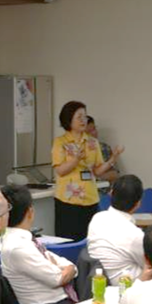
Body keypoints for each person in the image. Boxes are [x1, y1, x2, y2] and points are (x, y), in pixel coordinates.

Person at [0, 183, 77, 304]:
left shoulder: (24, 240)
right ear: (30, 212)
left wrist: (68, 268)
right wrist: (68, 269)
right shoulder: (18, 247)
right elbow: (57, 278)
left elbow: (68, 266)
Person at [51, 101, 123, 239]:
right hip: (68, 200)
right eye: (79, 117)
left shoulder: (92, 142)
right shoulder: (60, 142)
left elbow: (97, 171)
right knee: (68, 239)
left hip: (90, 198)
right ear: (68, 119)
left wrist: (113, 159)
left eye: (84, 116)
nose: (83, 120)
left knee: (89, 240)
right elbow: (60, 170)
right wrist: (75, 160)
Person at [87, 174, 147, 284]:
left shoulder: (97, 218)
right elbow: (149, 265)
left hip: (98, 284)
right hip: (128, 287)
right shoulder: (135, 235)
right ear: (138, 203)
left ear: (111, 194)